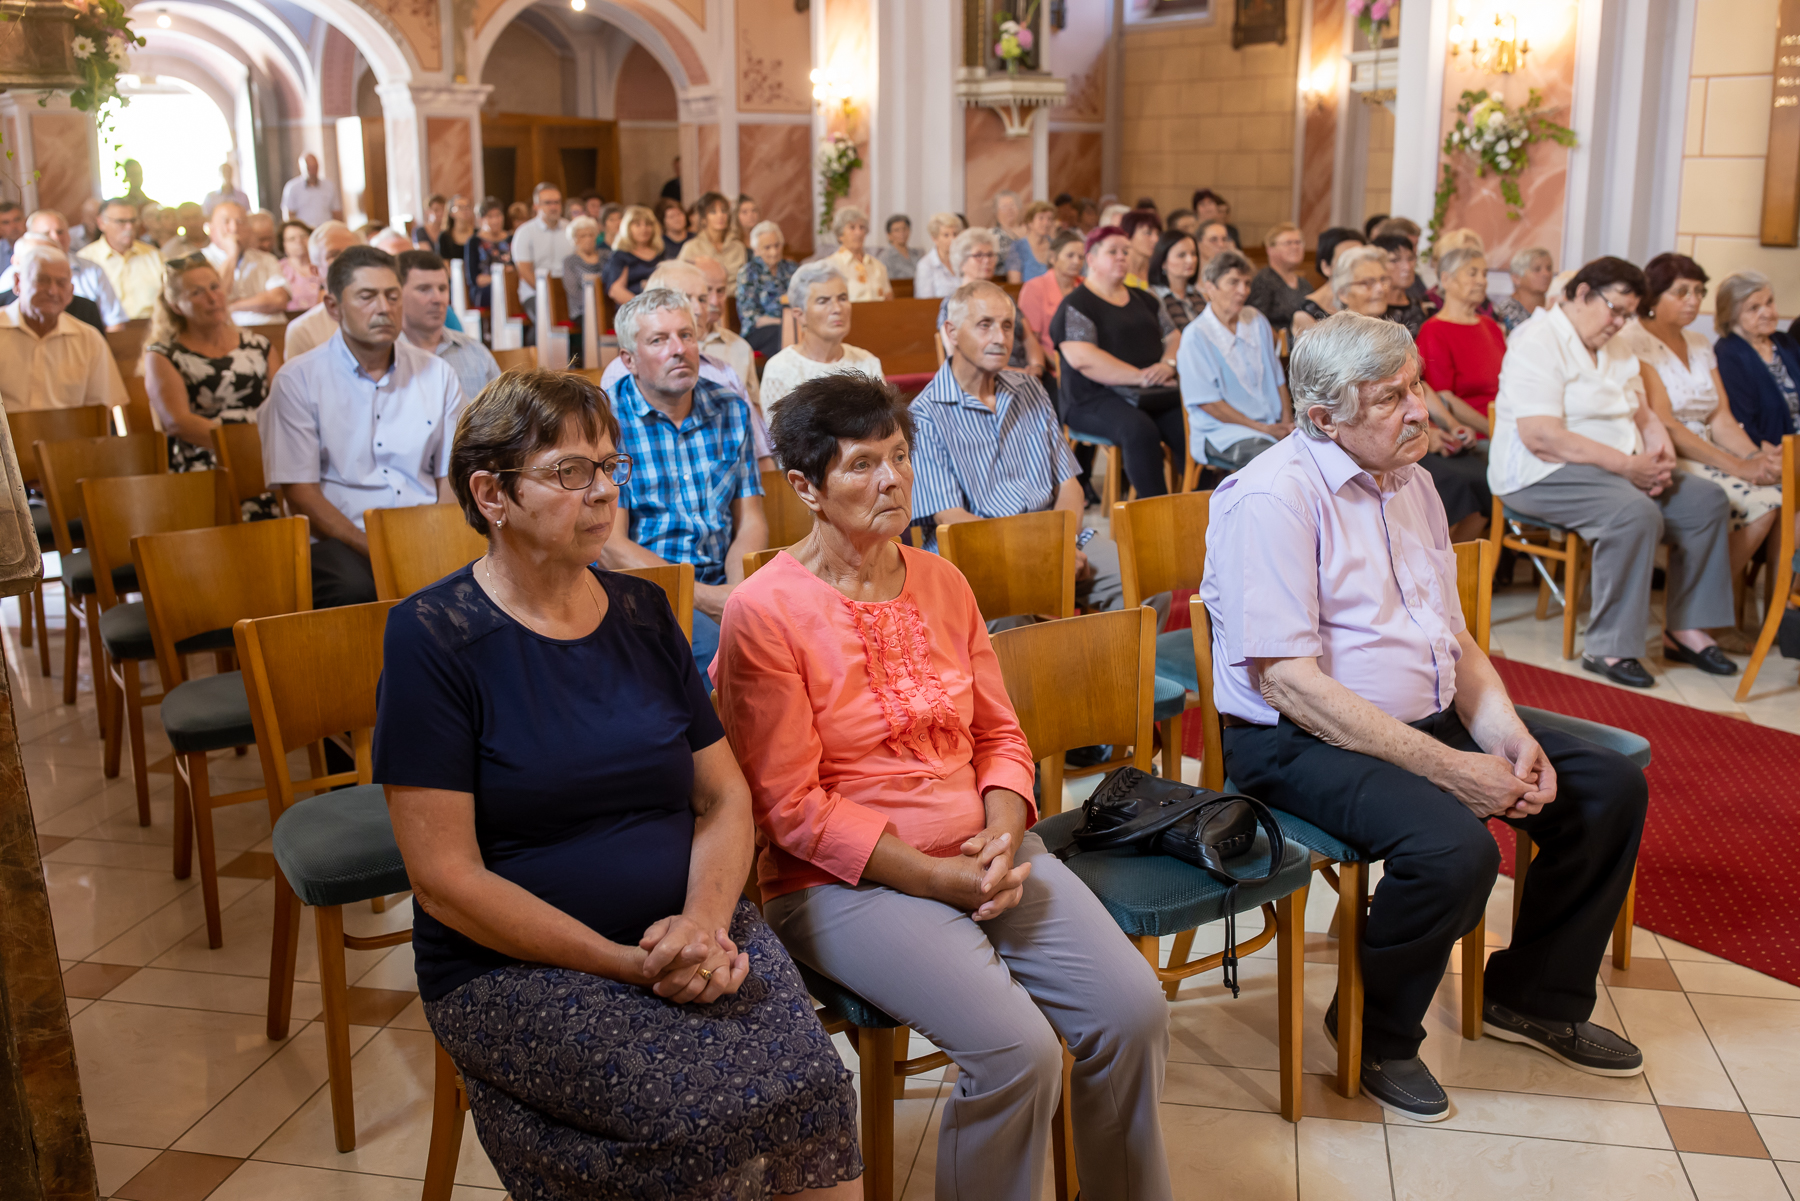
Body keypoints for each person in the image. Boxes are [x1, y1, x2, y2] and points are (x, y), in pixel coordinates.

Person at [375, 369, 862, 1201]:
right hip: (514, 964)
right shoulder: (433, 637)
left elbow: (724, 796)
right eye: (571, 472)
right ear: (491, 492)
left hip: (689, 926)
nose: (603, 492)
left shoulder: (641, 610)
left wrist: (704, 925)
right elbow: (445, 879)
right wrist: (624, 964)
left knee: (814, 1090)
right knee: (692, 1117)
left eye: (610, 466)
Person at [714, 373, 1173, 1201]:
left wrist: (1002, 834)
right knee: (1017, 1054)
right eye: (861, 464)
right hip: (840, 878)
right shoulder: (765, 610)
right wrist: (939, 879)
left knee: (1132, 1011)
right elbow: (790, 806)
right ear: (804, 487)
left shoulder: (942, 580)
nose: (891, 480)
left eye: (899, 456)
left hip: (983, 849)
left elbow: (999, 735)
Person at [1203, 309, 1650, 1122]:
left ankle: (1535, 995)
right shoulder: (1272, 497)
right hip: (1297, 740)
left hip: (1419, 712)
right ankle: (1375, 1029)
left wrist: (1506, 737)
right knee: (1452, 849)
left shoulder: (1410, 480)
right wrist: (1453, 771)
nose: (1419, 410)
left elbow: (1453, 636)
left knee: (1605, 789)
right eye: (1388, 398)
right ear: (1322, 418)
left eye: (1415, 386)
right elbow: (1291, 683)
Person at [1490, 257, 1737, 687]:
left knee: (1705, 500)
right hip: (1542, 472)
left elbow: (1643, 414)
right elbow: (1542, 436)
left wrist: (1660, 457)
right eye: (1616, 310)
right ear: (1582, 293)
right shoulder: (1538, 339)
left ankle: (1687, 629)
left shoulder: (1616, 343)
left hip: (1620, 467)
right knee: (1633, 513)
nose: (1622, 323)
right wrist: (1628, 467)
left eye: (1629, 314)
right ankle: (1608, 646)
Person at [261, 246, 467, 608]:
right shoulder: (299, 379)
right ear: (333, 307)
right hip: (340, 537)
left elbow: (449, 476)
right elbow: (301, 492)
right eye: (367, 297)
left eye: (392, 296)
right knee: (357, 591)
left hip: (423, 529)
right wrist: (372, 544)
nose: (384, 308)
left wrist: (440, 537)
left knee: (486, 579)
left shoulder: (437, 374)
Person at [913, 279, 1121, 597]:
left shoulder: (1030, 390)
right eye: (985, 325)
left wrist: (1060, 545)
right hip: (980, 550)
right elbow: (952, 518)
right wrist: (1039, 553)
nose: (1000, 338)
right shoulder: (924, 415)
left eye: (1007, 326)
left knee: (1134, 581)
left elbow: (1068, 485)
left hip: (1058, 536)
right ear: (952, 333)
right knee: (1007, 607)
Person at [600, 288, 767, 672]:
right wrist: (704, 598)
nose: (679, 349)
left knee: (798, 636)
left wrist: (736, 595)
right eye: (659, 340)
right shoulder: (605, 420)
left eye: (686, 335)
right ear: (629, 360)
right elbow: (610, 546)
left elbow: (751, 519)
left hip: (724, 580)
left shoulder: (730, 408)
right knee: (715, 656)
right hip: (642, 590)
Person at [1621, 255, 1785, 589]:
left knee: (1777, 490)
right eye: (1682, 292)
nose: (1694, 301)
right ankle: (1696, 617)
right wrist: (1738, 468)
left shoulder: (1698, 342)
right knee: (1765, 503)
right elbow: (1665, 423)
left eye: (1699, 291)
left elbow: (1720, 417)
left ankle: (1714, 612)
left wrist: (1755, 458)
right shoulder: (1634, 341)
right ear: (1653, 296)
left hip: (1709, 447)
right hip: (1668, 452)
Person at [1050, 224, 1185, 498]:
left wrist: (1167, 365)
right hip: (1093, 398)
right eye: (1113, 251)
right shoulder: (1077, 305)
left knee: (1191, 423)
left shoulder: (1146, 299)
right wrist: (1139, 376)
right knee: (1139, 430)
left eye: (1126, 251)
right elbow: (1083, 358)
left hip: (1151, 392)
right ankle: (1156, 518)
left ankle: (1204, 506)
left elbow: (1174, 337)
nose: (1122, 257)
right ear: (1091, 259)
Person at [602, 259, 775, 471]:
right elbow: (613, 468)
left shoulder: (725, 370)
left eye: (702, 299)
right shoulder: (621, 373)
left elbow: (759, 454)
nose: (700, 310)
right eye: (685, 299)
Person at [143, 258, 279, 501]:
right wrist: (241, 445)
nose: (212, 297)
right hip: (205, 459)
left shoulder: (259, 346)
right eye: (197, 292)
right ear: (176, 305)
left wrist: (265, 448)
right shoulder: (163, 355)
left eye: (215, 287)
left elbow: (283, 406)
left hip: (264, 453)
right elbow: (177, 421)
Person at [1179, 249, 1291, 471]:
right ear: (1210, 287)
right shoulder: (1196, 335)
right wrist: (1263, 429)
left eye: (1247, 283)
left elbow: (1278, 378)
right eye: (1233, 282)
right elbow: (1210, 404)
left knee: (1320, 451)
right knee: (1276, 461)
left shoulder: (1256, 320)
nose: (1243, 291)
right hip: (1222, 431)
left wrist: (1288, 424)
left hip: (1271, 425)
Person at [0, 243, 128, 412]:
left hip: (71, 438)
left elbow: (105, 410)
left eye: (61, 283)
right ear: (17, 282)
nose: (53, 291)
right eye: (41, 280)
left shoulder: (88, 339)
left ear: (71, 292)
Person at [761, 262, 885, 420]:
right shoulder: (780, 369)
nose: (837, 309)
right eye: (823, 301)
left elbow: (882, 429)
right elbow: (781, 441)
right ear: (800, 315)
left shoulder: (867, 362)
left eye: (842, 298)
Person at [1417, 245, 1507, 437]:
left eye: (1484, 274)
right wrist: (1494, 431)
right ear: (1446, 280)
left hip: (1506, 427)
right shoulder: (1434, 331)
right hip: (1476, 435)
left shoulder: (1490, 326)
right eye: (1472, 274)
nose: (1482, 281)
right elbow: (1444, 397)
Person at [935, 228, 1045, 377]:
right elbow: (956, 354)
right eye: (979, 255)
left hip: (1026, 375)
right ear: (961, 262)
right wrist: (1018, 373)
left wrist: (1037, 367)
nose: (987, 260)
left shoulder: (1005, 298)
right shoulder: (953, 303)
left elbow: (1028, 339)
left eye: (990, 254)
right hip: (985, 377)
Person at [398, 249, 501, 402]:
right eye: (424, 289)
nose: (437, 299)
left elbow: (504, 418)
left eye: (442, 288)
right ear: (397, 294)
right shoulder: (385, 356)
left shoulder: (475, 352)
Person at [1714, 271, 1800, 450]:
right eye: (1754, 308)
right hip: (1772, 452)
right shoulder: (1728, 353)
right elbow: (1741, 421)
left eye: (1769, 302)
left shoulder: (1785, 342)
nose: (1767, 313)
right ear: (1731, 315)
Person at [1, 210, 127, 329]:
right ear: (18, 283)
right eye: (40, 280)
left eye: (60, 232)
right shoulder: (8, 280)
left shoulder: (92, 273)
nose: (55, 238)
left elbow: (114, 322)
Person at [199, 201, 288, 327]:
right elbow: (214, 300)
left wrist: (233, 305)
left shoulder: (267, 259)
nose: (234, 228)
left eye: (240, 222)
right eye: (226, 222)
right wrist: (232, 256)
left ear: (249, 229)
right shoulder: (200, 262)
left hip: (271, 329)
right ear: (211, 229)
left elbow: (278, 300)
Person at [282, 221, 362, 360]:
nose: (346, 261)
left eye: (352, 253)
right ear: (315, 270)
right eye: (334, 255)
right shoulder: (302, 330)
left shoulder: (390, 314)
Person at [78, 198, 163, 321]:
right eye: (121, 222)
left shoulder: (156, 257)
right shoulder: (86, 260)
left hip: (152, 330)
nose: (129, 227)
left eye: (133, 221)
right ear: (101, 223)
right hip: (104, 333)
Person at [1018, 229, 1084, 368]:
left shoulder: (1086, 286)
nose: (1076, 261)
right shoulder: (1035, 287)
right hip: (1050, 366)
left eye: (1081, 257)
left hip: (1085, 361)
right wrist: (1058, 366)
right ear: (1053, 257)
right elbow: (1032, 340)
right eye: (1070, 255)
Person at [509, 182, 573, 312]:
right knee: (545, 315)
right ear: (536, 206)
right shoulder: (525, 232)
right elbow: (525, 270)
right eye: (548, 203)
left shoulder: (570, 229)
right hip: (535, 292)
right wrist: (546, 292)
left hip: (568, 292)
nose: (554, 207)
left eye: (557, 202)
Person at [738, 219, 796, 357]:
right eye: (767, 247)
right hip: (759, 332)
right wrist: (783, 323)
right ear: (756, 249)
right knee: (779, 334)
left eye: (777, 245)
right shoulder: (748, 272)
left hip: (792, 326)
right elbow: (750, 317)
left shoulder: (791, 268)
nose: (774, 252)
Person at [1291, 228, 1366, 335]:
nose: (1356, 267)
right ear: (1326, 267)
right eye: (1345, 260)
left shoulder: (1370, 299)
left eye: (1361, 259)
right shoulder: (1307, 313)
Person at [1247, 221, 1311, 334]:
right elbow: (1256, 322)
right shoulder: (1264, 280)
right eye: (1288, 243)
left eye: (1298, 242)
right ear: (1270, 249)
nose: (1295, 247)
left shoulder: (1304, 283)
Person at [557, 215, 606, 359]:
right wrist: (595, 303)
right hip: (582, 309)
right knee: (592, 319)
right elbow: (573, 290)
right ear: (574, 239)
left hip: (606, 306)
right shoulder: (570, 261)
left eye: (591, 234)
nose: (588, 239)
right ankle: (591, 359)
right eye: (583, 236)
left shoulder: (605, 256)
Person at [679, 191, 748, 289]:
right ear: (703, 218)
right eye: (713, 212)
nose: (720, 216)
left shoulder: (738, 247)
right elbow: (681, 281)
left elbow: (745, 282)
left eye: (724, 211)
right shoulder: (691, 247)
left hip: (735, 301)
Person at [823, 206, 893, 302]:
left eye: (862, 227)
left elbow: (889, 300)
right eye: (852, 227)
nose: (858, 232)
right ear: (840, 235)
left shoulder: (878, 266)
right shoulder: (830, 266)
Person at [602, 204, 663, 307]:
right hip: (634, 310)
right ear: (628, 228)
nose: (644, 229)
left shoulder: (660, 252)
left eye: (648, 224)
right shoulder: (621, 255)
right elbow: (616, 291)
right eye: (637, 225)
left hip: (660, 305)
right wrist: (644, 308)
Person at [1146, 229, 1202, 329]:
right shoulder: (1152, 297)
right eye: (1181, 255)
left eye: (1193, 254)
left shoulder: (1199, 295)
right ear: (1163, 263)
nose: (1190, 260)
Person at [1375, 233, 1428, 335]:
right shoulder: (1373, 308)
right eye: (1394, 260)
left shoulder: (1419, 306)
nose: (1407, 267)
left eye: (1411, 259)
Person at [464, 198, 511, 310]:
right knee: (500, 292)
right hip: (485, 290)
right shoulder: (474, 242)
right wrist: (499, 277)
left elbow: (515, 269)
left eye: (498, 215)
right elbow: (476, 279)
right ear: (481, 219)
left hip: (509, 286)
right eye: (490, 216)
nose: (495, 220)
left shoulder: (511, 238)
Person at [1494, 247, 1554, 334]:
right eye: (1537, 269)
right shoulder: (1504, 312)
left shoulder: (1554, 307)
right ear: (1516, 278)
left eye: (1549, 268)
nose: (1546, 274)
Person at [279, 153, 341, 228]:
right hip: (304, 233)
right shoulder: (292, 188)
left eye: (315, 167)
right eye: (309, 167)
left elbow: (337, 213)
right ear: (300, 167)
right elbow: (288, 216)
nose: (312, 171)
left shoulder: (329, 186)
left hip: (325, 231)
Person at [1003, 200, 1058, 285]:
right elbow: (1014, 285)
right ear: (1030, 222)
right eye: (1041, 218)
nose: (1046, 223)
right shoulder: (1018, 247)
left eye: (1049, 219)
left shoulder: (1056, 246)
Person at [913, 212, 965, 300]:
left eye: (955, 234)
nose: (952, 239)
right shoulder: (926, 265)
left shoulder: (963, 260)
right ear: (935, 238)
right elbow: (924, 301)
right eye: (946, 235)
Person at [277, 220, 319, 313]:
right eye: (292, 239)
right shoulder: (278, 269)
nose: (299, 241)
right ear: (283, 244)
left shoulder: (320, 265)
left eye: (303, 236)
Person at [1120, 208, 1162, 290]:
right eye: (1148, 233)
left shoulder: (1160, 271)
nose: (1156, 239)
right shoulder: (1118, 271)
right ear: (1128, 235)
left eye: (1158, 234)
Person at [875, 213, 920, 281]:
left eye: (904, 229)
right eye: (897, 230)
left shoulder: (917, 254)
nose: (902, 233)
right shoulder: (885, 257)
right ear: (889, 235)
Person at [991, 189, 1027, 263]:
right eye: (1004, 207)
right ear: (996, 211)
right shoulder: (992, 235)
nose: (1009, 209)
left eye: (1012, 205)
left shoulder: (1030, 231)